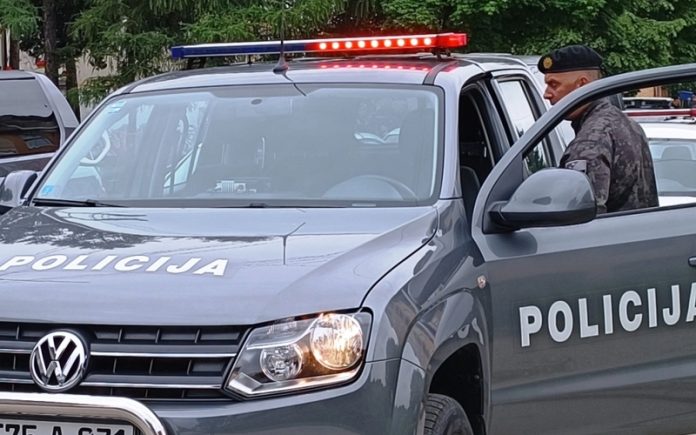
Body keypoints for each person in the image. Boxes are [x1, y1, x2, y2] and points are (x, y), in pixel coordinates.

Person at [538, 44, 658, 214]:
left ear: (582, 85)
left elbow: (584, 217)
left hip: (613, 232)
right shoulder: (626, 123)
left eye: (554, 84)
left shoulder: (591, 141)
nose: (546, 94)